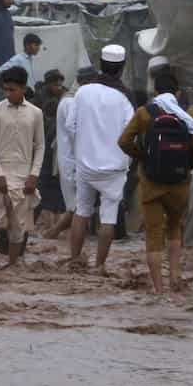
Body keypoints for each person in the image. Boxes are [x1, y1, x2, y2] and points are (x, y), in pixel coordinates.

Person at [117, 72, 193, 295]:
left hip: (151, 183)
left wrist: (143, 157)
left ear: (155, 92)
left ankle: (159, 290)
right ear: (177, 93)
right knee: (175, 228)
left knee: (154, 234)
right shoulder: (187, 114)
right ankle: (175, 277)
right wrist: (187, 165)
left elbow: (123, 141)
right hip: (179, 183)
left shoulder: (144, 113)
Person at [65, 44, 135, 276]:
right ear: (121, 68)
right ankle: (99, 266)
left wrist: (80, 150)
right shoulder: (125, 98)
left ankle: (74, 260)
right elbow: (130, 133)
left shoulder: (84, 92)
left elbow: (70, 126)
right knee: (108, 217)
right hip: (114, 169)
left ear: (101, 65)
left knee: (81, 211)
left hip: (85, 165)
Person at [0, 66, 45, 268]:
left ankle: (12, 267)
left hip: (23, 175)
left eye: (12, 89)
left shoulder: (36, 113)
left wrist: (34, 174)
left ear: (23, 88)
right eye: (5, 89)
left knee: (18, 227)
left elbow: (40, 146)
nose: (8, 94)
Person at [44, 66, 97, 240]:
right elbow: (75, 131)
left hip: (77, 160)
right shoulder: (69, 102)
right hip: (72, 161)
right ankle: (55, 234)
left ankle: (58, 234)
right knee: (76, 207)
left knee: (78, 206)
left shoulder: (77, 100)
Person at [34, 69, 69, 226]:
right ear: (48, 84)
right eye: (56, 84)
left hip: (60, 153)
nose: (59, 87)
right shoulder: (39, 100)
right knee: (44, 185)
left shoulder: (66, 98)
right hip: (44, 150)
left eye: (61, 84)